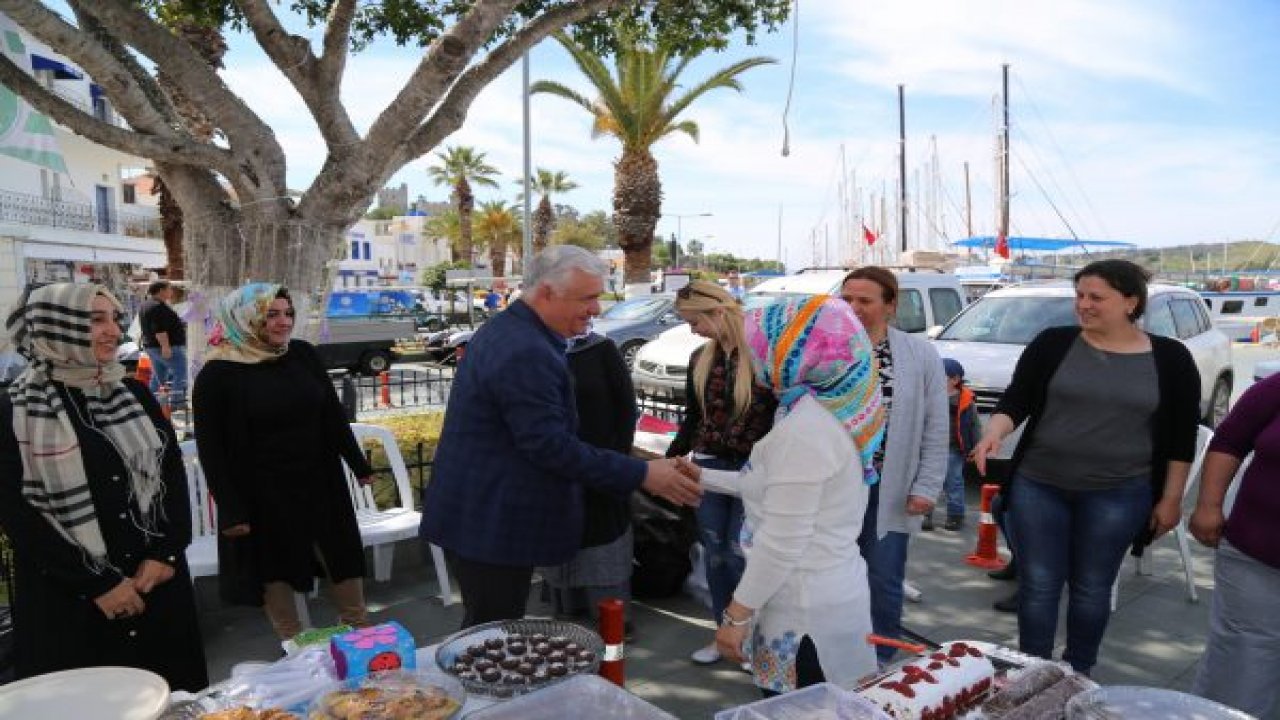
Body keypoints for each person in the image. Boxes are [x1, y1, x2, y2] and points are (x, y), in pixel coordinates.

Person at [420, 245, 700, 628]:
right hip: (490, 521)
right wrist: (643, 474)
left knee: (491, 629)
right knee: (489, 635)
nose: (596, 309)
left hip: (482, 515)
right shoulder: (525, 349)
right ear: (546, 293)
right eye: (587, 298)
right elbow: (548, 445)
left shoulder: (515, 331)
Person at [972, 259, 1199, 675]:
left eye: (1097, 297)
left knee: (1092, 588)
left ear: (1131, 302)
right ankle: (1032, 673)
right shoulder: (1053, 343)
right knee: (1039, 585)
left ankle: (1077, 673)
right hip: (1039, 484)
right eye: (1079, 296)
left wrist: (1171, 499)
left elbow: (1181, 437)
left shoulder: (1171, 358)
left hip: (1120, 491)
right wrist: (994, 432)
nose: (1084, 305)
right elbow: (1017, 399)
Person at [0, 283, 207, 690]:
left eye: (114, 319)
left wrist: (166, 553)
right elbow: (17, 515)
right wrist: (98, 584)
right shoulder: (13, 411)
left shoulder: (133, 393)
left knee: (175, 699)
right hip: (72, 601)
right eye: (95, 320)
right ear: (52, 328)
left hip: (156, 586)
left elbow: (171, 476)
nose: (113, 331)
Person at [675, 295, 885, 695]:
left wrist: (735, 616)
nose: (754, 358)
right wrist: (703, 476)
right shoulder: (831, 406)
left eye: (760, 347)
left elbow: (782, 541)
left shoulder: (804, 431)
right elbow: (776, 488)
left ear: (794, 353)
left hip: (805, 612)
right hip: (827, 595)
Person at [193, 283, 374, 641]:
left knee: (339, 552)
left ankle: (361, 633)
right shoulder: (218, 374)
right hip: (262, 489)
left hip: (319, 477)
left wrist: (358, 464)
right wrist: (231, 509)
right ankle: (294, 644)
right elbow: (212, 450)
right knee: (273, 565)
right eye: (271, 314)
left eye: (288, 313)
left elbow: (331, 414)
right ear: (245, 318)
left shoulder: (302, 354)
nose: (284, 322)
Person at [840, 266, 948, 664]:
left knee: (883, 576)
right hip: (831, 487)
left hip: (889, 486)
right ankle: (838, 654)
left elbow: (936, 425)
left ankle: (882, 658)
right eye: (846, 299)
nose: (853, 307)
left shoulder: (919, 353)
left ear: (890, 305)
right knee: (831, 577)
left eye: (864, 300)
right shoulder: (826, 348)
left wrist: (927, 486)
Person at [667, 280, 777, 667]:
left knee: (743, 554)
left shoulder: (765, 355)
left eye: (694, 321)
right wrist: (670, 460)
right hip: (708, 465)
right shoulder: (701, 358)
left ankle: (750, 637)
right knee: (716, 556)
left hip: (755, 469)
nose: (692, 330)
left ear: (717, 313)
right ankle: (722, 633)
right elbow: (693, 418)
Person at [1189, 372, 1280, 718]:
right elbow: (1230, 439)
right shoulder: (1276, 388)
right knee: (1240, 671)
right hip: (1256, 558)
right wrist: (1208, 505)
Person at [538, 332, 639, 626]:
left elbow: (625, 407)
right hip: (558, 465)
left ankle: (612, 617)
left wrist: (617, 457)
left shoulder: (602, 349)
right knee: (563, 536)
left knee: (605, 541)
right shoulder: (539, 348)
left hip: (602, 464)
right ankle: (569, 607)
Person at [923, 358, 979, 531]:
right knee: (926, 480)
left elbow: (974, 425)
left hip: (953, 448)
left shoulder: (965, 400)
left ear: (955, 379)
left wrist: (977, 446)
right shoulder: (928, 395)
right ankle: (925, 514)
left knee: (954, 482)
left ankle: (955, 515)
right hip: (929, 447)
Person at [138, 280, 188, 411]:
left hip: (152, 346)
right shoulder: (157, 307)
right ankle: (177, 402)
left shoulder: (146, 305)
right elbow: (159, 329)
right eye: (169, 289)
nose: (171, 292)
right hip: (165, 346)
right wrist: (165, 347)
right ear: (161, 290)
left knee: (159, 376)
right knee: (181, 372)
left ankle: (150, 402)